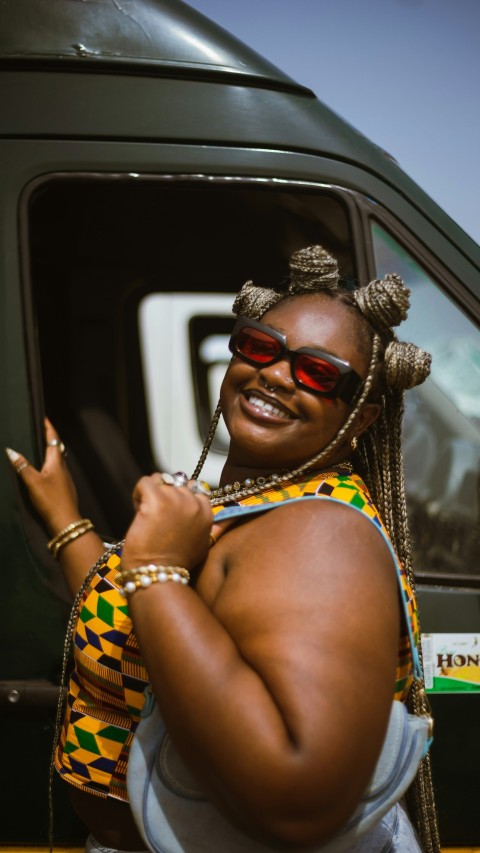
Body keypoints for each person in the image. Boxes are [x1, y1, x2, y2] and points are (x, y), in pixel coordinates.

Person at [6, 245, 440, 853]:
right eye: (261, 348)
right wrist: (67, 522)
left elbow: (296, 800)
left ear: (361, 418)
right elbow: (147, 629)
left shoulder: (319, 535)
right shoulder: (257, 501)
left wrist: (156, 570)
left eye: (318, 373)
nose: (276, 374)